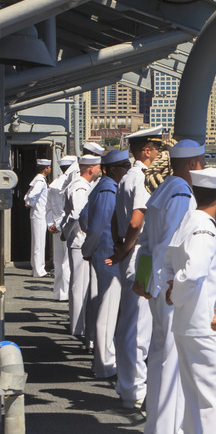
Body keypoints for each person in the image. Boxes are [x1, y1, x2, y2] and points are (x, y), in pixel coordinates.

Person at [134, 139, 203, 434]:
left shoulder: (163, 188)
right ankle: (168, 428)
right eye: (202, 162)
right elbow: (170, 245)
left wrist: (144, 278)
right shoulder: (182, 194)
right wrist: (170, 283)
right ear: (192, 164)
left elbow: (148, 243)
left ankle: (157, 425)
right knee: (172, 360)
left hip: (156, 280)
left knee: (160, 352)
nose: (203, 168)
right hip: (169, 285)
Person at [161, 167, 216, 434]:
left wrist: (172, 290)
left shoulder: (188, 220)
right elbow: (193, 273)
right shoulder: (204, 227)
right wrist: (178, 295)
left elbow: (168, 262)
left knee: (194, 399)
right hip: (206, 325)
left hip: (187, 324)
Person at [108, 126, 162, 409]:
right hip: (141, 257)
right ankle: (134, 389)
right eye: (156, 149)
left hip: (133, 256)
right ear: (146, 151)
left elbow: (117, 219)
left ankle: (126, 383)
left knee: (130, 321)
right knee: (138, 326)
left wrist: (120, 248)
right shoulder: (140, 178)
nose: (159, 154)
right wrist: (127, 249)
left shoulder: (126, 177)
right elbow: (135, 221)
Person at [82, 150, 131, 378]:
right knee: (108, 311)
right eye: (123, 166)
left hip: (107, 253)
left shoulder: (102, 187)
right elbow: (95, 226)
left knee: (108, 308)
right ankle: (105, 365)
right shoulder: (109, 190)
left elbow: (84, 217)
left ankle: (102, 362)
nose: (127, 170)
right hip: (108, 255)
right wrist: (89, 250)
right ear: (111, 169)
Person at [61, 155, 102, 338]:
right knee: (80, 286)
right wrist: (66, 233)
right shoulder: (80, 187)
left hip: (80, 240)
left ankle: (80, 326)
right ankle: (79, 328)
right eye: (98, 167)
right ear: (90, 168)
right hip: (80, 240)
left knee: (82, 285)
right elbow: (77, 215)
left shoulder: (81, 185)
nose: (100, 170)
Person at [47, 155, 77, 301]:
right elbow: (70, 210)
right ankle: (65, 294)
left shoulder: (53, 184)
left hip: (55, 227)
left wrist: (50, 225)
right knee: (67, 262)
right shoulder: (69, 184)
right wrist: (59, 226)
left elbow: (48, 208)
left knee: (58, 262)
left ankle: (58, 292)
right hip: (65, 226)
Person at [24, 159, 52, 278]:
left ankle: (36, 268)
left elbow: (27, 195)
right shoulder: (40, 181)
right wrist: (31, 203)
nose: (50, 169)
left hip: (37, 214)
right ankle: (39, 270)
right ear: (45, 168)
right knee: (39, 243)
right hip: (39, 214)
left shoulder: (38, 180)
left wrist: (29, 202)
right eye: (49, 167)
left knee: (37, 243)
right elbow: (31, 195)